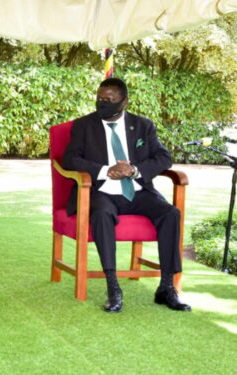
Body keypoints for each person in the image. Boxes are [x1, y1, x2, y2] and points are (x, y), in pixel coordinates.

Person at [62, 77, 190, 313]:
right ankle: (113, 287)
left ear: (124, 102)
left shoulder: (143, 126)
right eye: (100, 99)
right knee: (101, 215)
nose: (103, 104)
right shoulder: (83, 126)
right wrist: (103, 170)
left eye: (110, 100)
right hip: (102, 191)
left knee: (171, 213)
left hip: (137, 190)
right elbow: (69, 159)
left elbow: (163, 158)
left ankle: (166, 288)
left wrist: (134, 170)